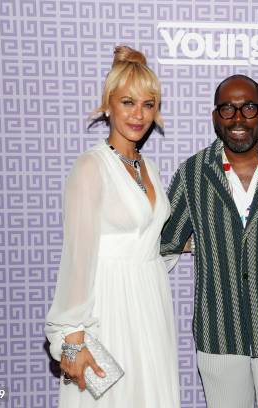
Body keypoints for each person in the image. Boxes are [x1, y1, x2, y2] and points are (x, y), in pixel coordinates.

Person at [160, 75, 258, 407]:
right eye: (227, 109)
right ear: (215, 117)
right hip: (219, 334)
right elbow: (165, 241)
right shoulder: (191, 174)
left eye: (248, 108)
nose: (237, 118)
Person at [44, 46, 180, 407]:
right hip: (109, 307)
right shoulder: (91, 167)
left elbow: (149, 244)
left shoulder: (147, 167)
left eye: (148, 104)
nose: (139, 114)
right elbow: (78, 257)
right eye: (127, 102)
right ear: (108, 105)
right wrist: (73, 338)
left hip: (151, 303)